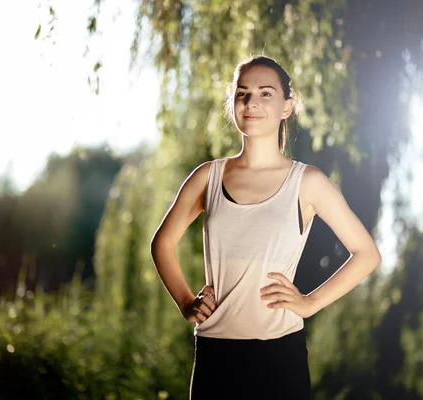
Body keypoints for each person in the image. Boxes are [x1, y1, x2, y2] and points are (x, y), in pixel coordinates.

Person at [150, 55, 381, 399]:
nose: (252, 102)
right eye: (242, 93)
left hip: (279, 356)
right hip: (216, 352)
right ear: (232, 103)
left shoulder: (308, 183)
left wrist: (308, 303)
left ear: (287, 106)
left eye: (266, 93)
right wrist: (186, 302)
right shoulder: (207, 177)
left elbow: (367, 254)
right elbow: (162, 244)